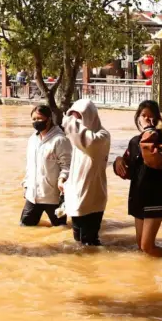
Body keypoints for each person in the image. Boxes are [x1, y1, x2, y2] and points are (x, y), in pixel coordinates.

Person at [113, 100, 162, 257]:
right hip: (138, 195)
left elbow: (154, 160)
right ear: (137, 118)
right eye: (143, 116)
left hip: (155, 196)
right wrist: (118, 161)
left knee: (147, 246)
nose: (146, 119)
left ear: (157, 119)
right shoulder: (134, 141)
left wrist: (149, 130)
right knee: (140, 246)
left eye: (150, 116)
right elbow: (128, 171)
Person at [62, 99, 110, 246]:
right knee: (78, 241)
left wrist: (68, 120)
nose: (75, 121)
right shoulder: (77, 138)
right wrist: (65, 180)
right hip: (76, 194)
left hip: (92, 197)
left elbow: (88, 141)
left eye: (79, 117)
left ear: (90, 116)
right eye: (73, 116)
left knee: (89, 243)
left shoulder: (101, 136)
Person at [20, 104, 72, 227]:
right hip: (33, 196)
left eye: (39, 119)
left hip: (53, 196)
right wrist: (26, 184)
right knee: (25, 226)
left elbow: (67, 165)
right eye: (33, 119)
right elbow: (30, 165)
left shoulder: (60, 140)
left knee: (60, 228)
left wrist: (62, 179)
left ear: (49, 119)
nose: (36, 122)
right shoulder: (32, 139)